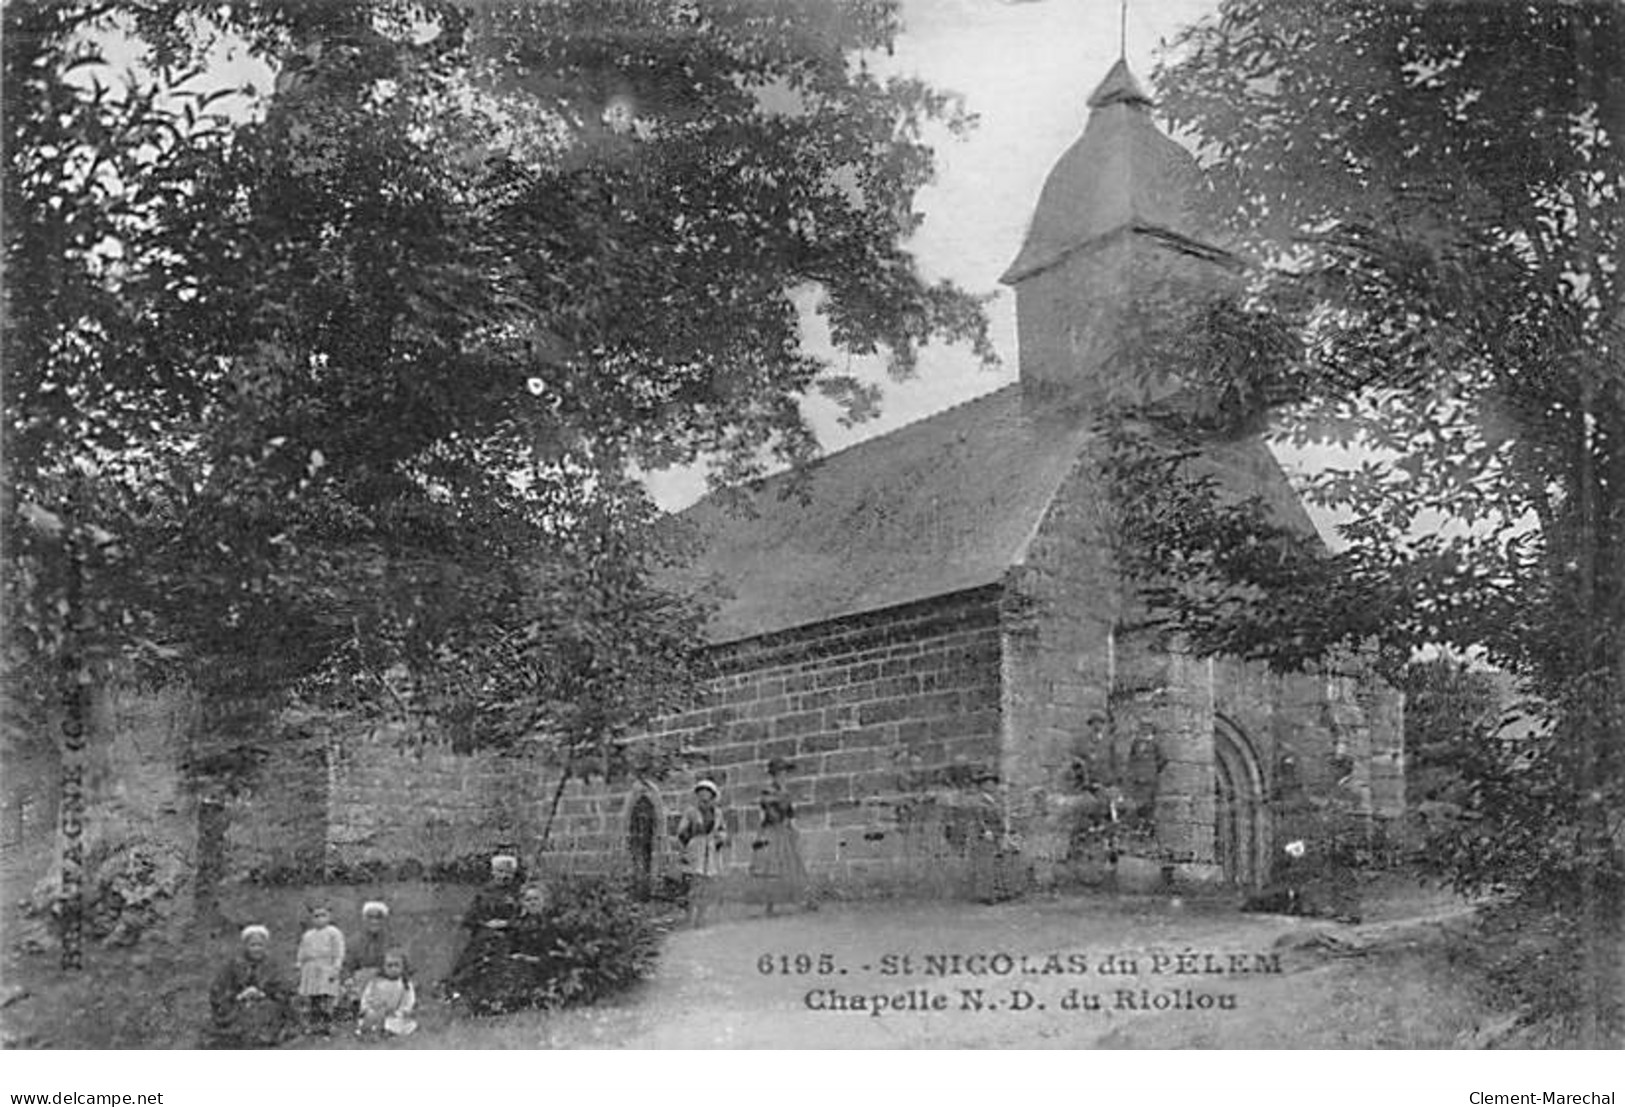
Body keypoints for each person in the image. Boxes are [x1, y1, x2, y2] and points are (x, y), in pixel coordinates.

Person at [444, 851, 525, 1010]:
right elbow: (471, 917)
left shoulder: (518, 893)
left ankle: (499, 997)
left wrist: (507, 922)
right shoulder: (484, 893)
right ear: (493, 872)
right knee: (475, 956)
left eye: (508, 873)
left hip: (511, 934)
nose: (504, 876)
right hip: (484, 933)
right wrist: (485, 924)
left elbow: (523, 915)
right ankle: (461, 991)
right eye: (500, 871)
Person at [207, 924, 293, 1048]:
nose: (256, 949)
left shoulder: (271, 964)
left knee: (269, 1013)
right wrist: (240, 995)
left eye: (260, 945)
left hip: (266, 1004)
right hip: (238, 1004)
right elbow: (219, 988)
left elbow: (282, 988)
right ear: (246, 946)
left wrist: (262, 993)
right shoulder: (234, 963)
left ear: (265, 946)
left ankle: (265, 1036)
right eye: (253, 945)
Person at [748, 758, 811, 916]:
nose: (783, 776)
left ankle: (798, 900)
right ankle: (769, 905)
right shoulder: (768, 791)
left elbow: (790, 812)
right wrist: (779, 818)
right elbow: (769, 810)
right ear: (774, 774)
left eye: (784, 773)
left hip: (783, 830)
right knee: (771, 865)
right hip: (771, 830)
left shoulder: (785, 792)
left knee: (791, 865)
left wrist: (791, 825)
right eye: (780, 773)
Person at [676, 779, 728, 928]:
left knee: (707, 886)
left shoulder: (717, 813)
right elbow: (681, 831)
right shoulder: (691, 812)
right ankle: (689, 916)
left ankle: (701, 917)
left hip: (710, 851)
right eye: (700, 793)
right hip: (695, 850)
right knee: (694, 884)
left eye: (706, 793)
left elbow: (722, 829)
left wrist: (720, 838)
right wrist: (687, 842)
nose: (703, 796)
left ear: (712, 796)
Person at [296, 903, 346, 1035]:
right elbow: (302, 950)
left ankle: (328, 1024)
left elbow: (339, 951)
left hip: (327, 967)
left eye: (323, 915)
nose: (320, 919)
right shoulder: (308, 935)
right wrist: (300, 963)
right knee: (313, 997)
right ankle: (314, 1024)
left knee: (327, 996)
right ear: (311, 919)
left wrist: (337, 966)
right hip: (311, 968)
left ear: (329, 916)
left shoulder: (333, 932)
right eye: (316, 916)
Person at [343, 900, 392, 1015]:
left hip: (384, 978)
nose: (374, 922)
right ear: (364, 920)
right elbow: (347, 965)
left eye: (378, 918)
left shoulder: (391, 941)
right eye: (370, 918)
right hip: (361, 981)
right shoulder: (354, 941)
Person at [357, 950, 417, 1037]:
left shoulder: (405, 984)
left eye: (396, 965)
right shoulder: (375, 982)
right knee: (370, 1018)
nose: (393, 969)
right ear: (383, 967)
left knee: (401, 1024)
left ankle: (385, 1031)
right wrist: (367, 1008)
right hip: (375, 1012)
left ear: (403, 967)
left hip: (393, 1016)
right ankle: (370, 1030)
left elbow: (408, 1002)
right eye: (389, 966)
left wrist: (399, 1012)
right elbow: (366, 997)